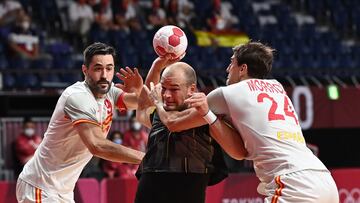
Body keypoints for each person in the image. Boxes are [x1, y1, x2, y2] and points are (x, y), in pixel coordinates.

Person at [182, 41, 339, 202]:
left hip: (294, 183)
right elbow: (239, 153)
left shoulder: (229, 93)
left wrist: (158, 101)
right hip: (324, 179)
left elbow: (177, 123)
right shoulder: (277, 87)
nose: (228, 69)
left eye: (232, 63)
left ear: (243, 69)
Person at [16, 42, 145, 203]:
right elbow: (97, 146)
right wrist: (146, 158)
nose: (104, 75)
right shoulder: (78, 97)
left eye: (109, 68)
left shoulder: (108, 91)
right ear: (85, 70)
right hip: (41, 185)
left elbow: (138, 103)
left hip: (62, 189)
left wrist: (139, 88)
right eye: (98, 68)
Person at [134, 56, 228, 203]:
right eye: (163, 88)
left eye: (174, 89)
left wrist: (158, 103)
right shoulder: (162, 111)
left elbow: (172, 122)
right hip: (150, 182)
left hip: (187, 184)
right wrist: (156, 66)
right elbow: (142, 111)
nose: (166, 95)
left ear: (191, 89)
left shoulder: (202, 110)